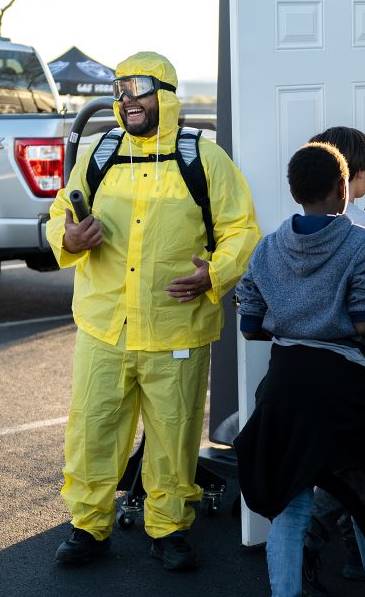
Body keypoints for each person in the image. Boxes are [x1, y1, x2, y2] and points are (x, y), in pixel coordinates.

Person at [46, 51, 261, 571]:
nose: (127, 100)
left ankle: (168, 529)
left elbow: (243, 229)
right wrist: (69, 236)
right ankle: (88, 527)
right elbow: (59, 212)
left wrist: (214, 272)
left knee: (174, 435)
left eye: (137, 89)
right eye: (120, 90)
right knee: (93, 430)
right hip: (105, 328)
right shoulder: (98, 154)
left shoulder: (203, 159)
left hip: (176, 330)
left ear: (164, 94)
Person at [234, 142, 365, 597]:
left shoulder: (269, 248)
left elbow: (250, 324)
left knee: (289, 506)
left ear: (294, 190)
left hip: (284, 386)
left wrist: (293, 326)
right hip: (343, 389)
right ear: (343, 188)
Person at [301, 126, 365, 591]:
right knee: (360, 471)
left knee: (327, 462)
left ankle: (335, 548)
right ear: (353, 176)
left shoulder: (298, 225)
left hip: (308, 367)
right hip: (361, 367)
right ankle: (321, 541)